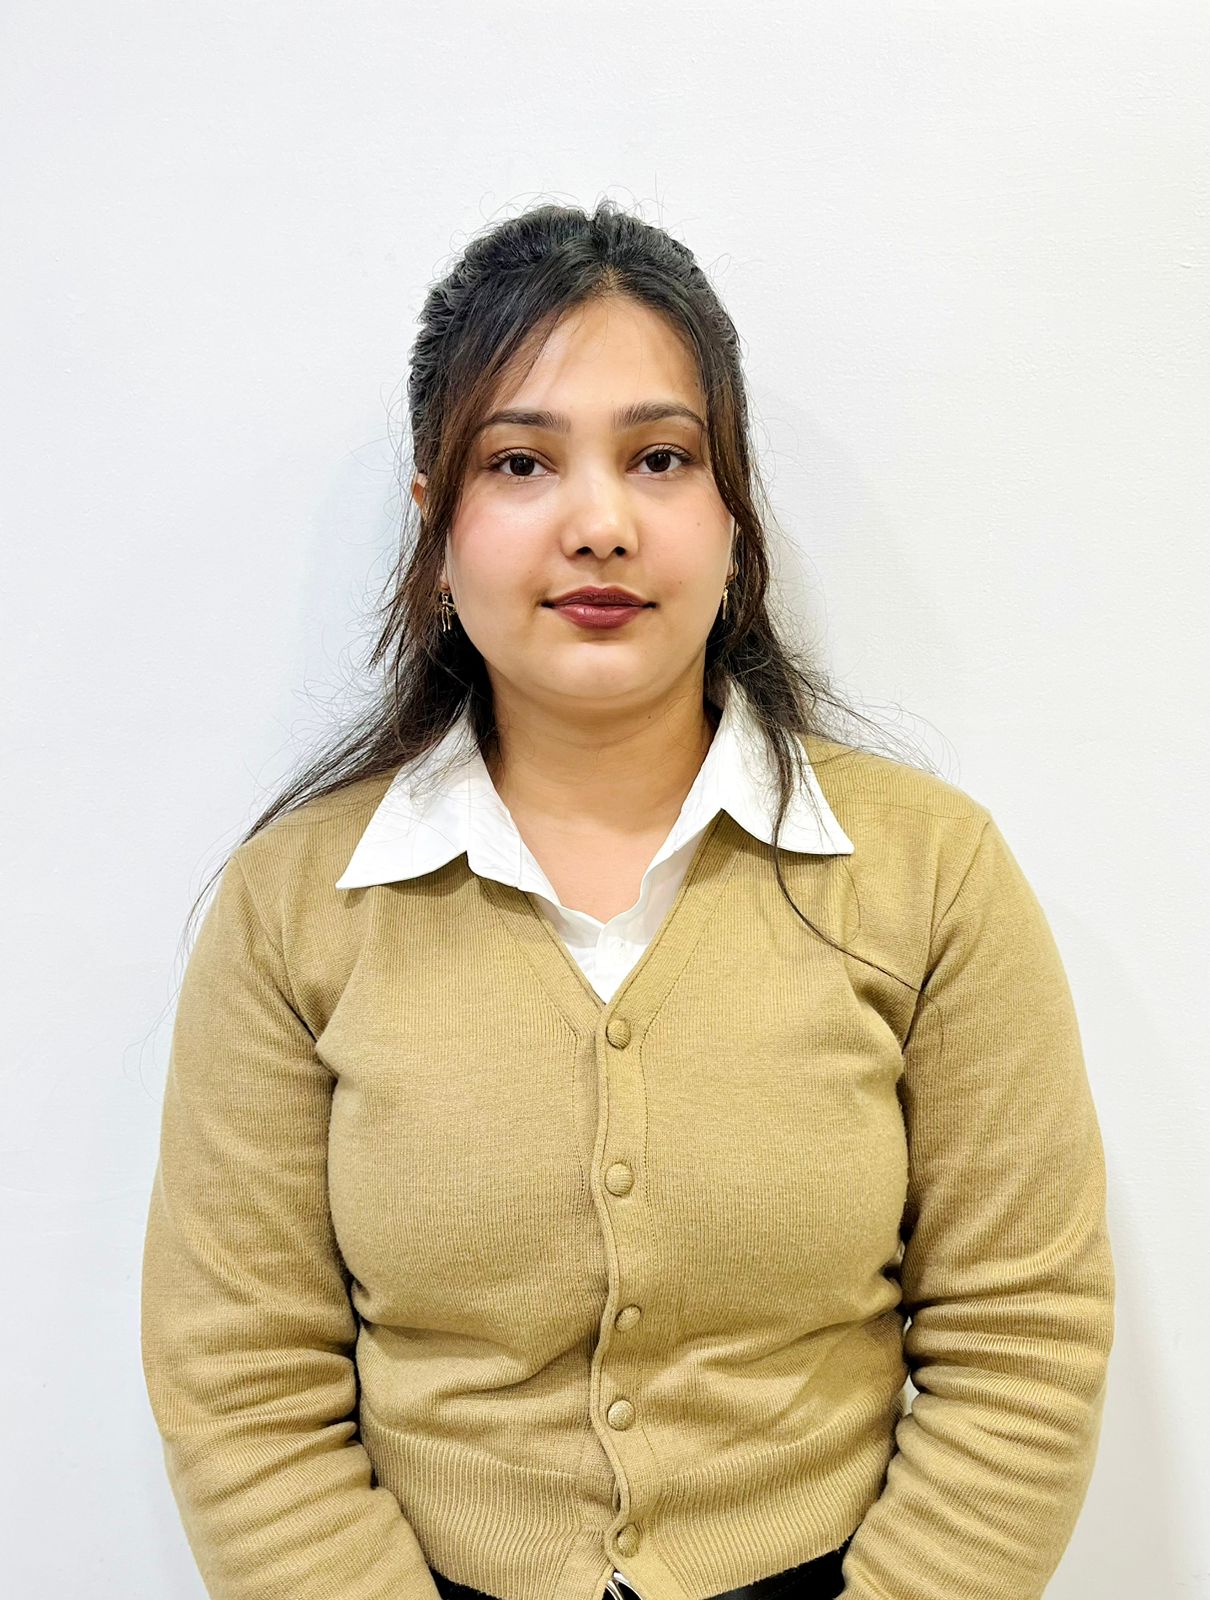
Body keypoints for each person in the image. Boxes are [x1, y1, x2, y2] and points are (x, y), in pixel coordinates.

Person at [139, 199, 1115, 1600]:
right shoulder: (294, 906)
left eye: (660, 458)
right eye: (519, 462)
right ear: (436, 528)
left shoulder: (929, 872)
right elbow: (239, 1378)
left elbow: (1024, 1338)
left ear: (732, 515)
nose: (598, 525)